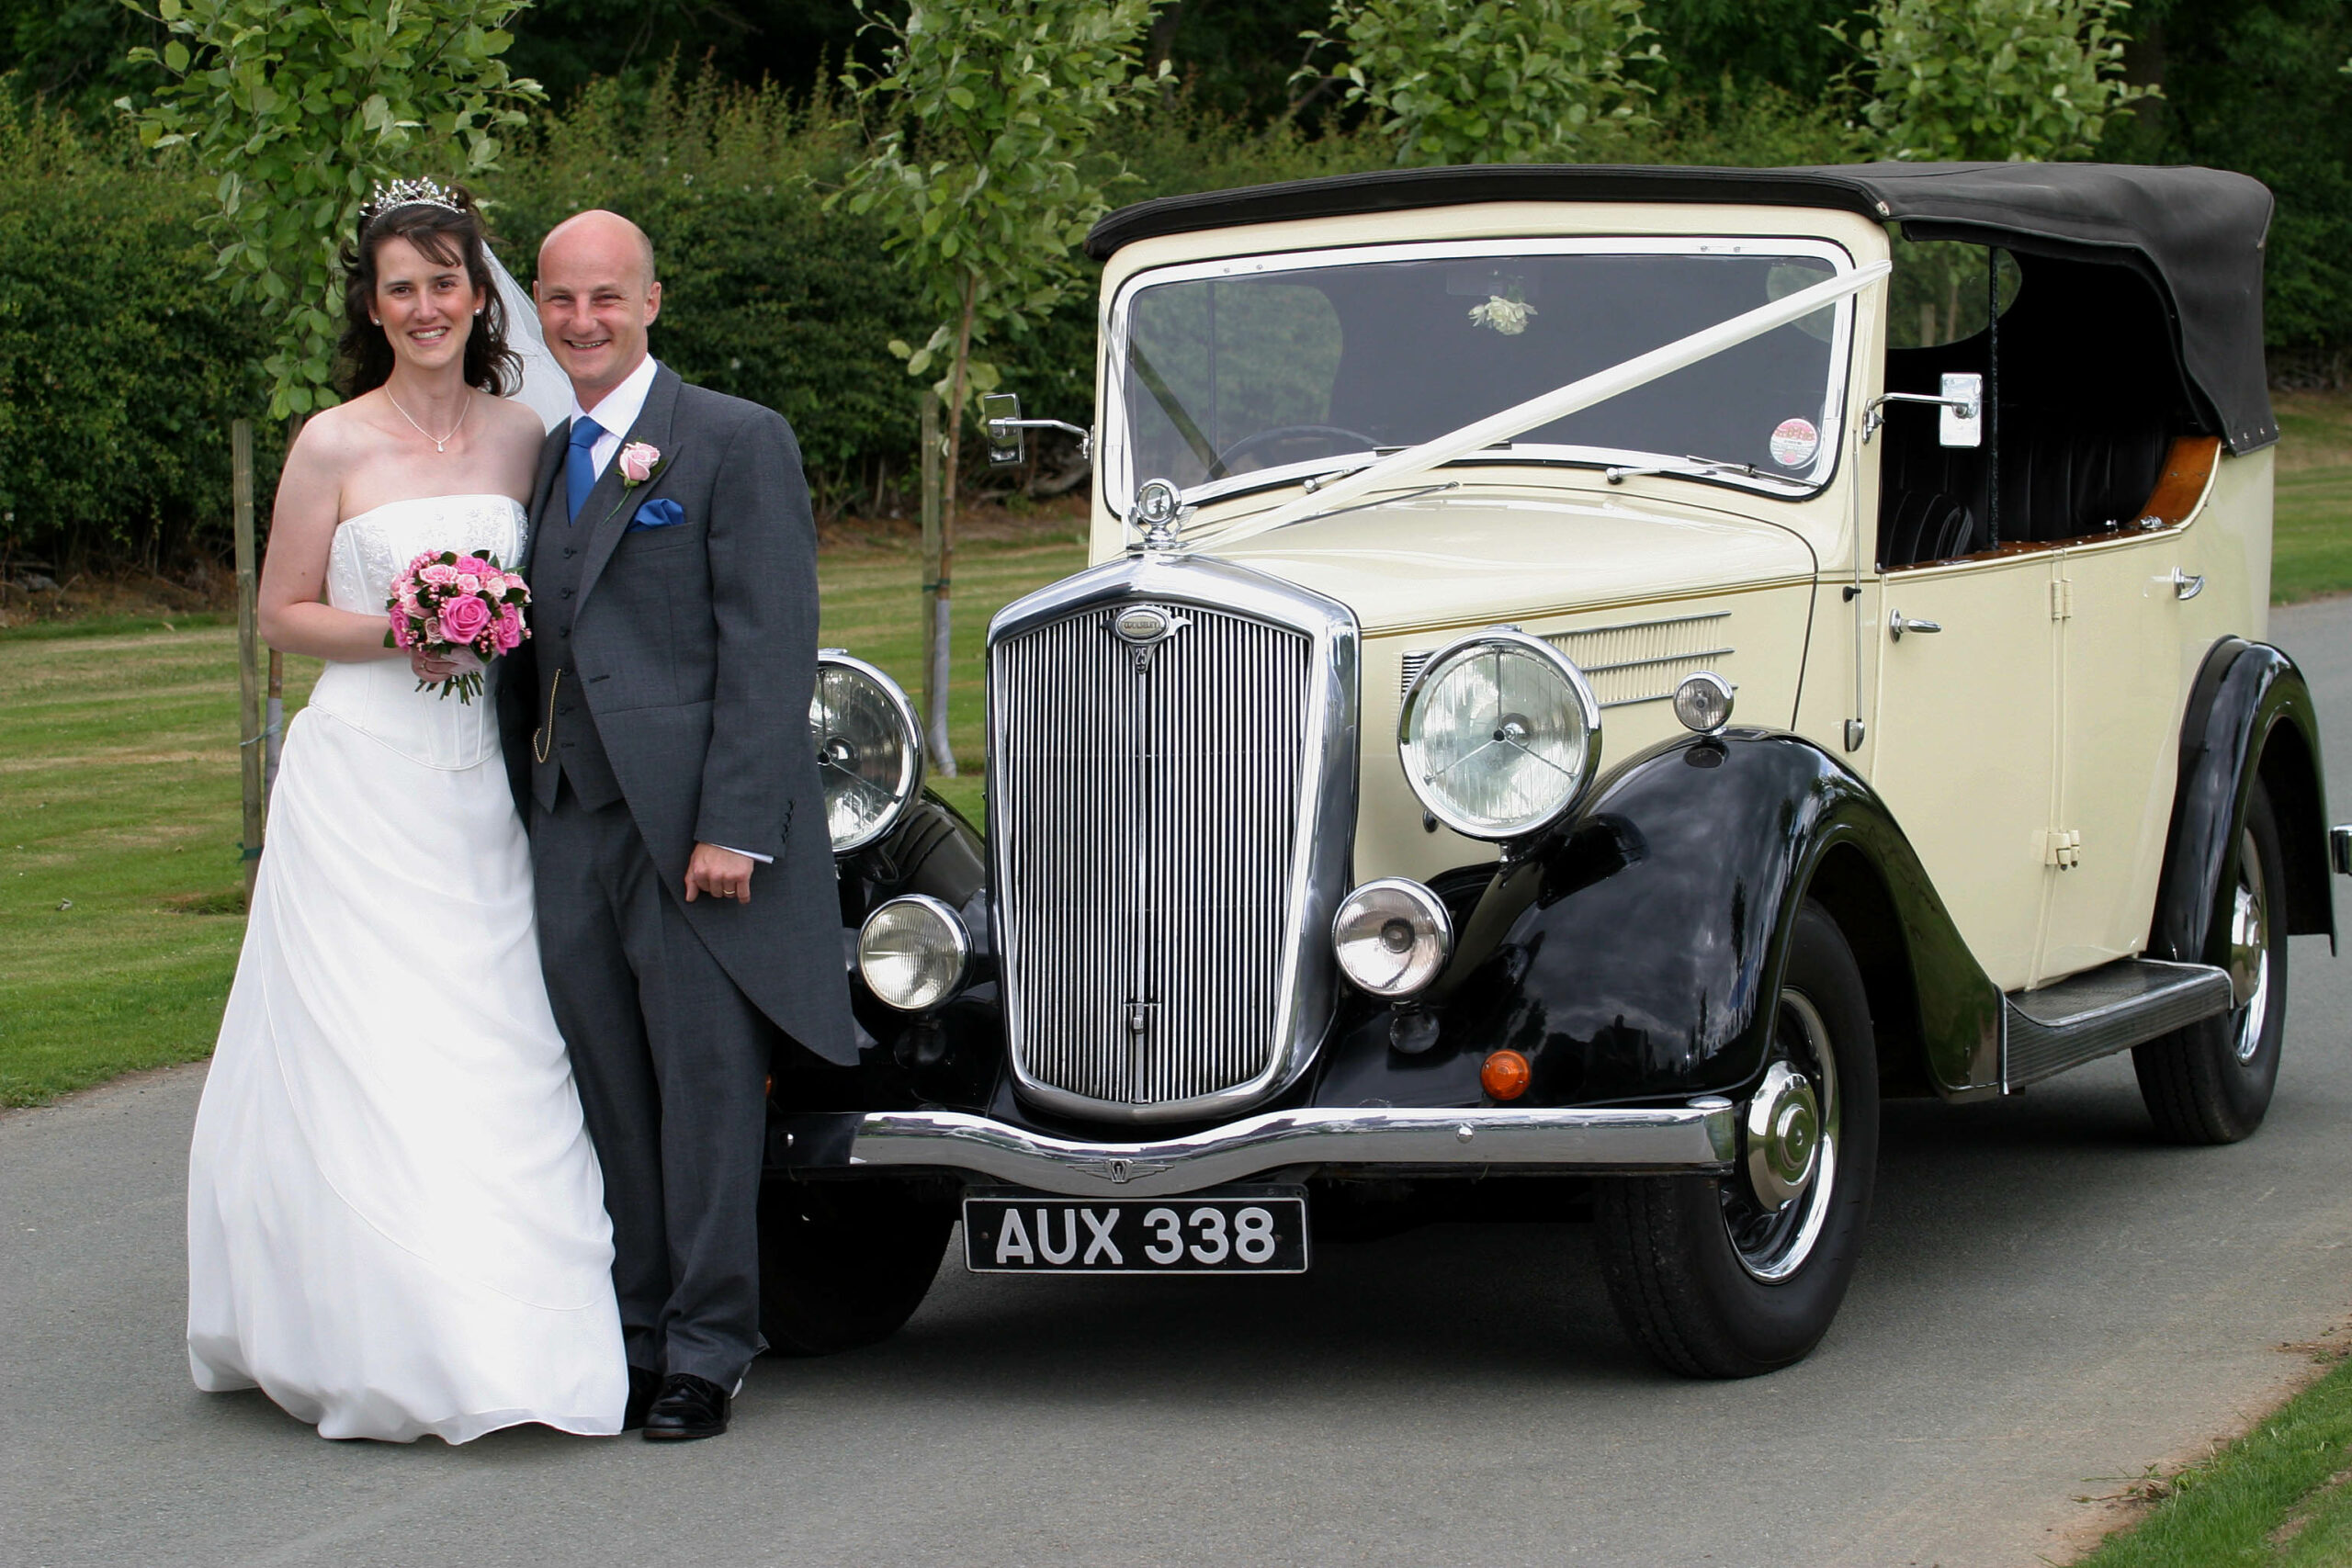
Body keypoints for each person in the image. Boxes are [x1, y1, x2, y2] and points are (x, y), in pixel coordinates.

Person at [185, 181, 628, 1443]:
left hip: (482, 785)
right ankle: (371, 1333)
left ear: (480, 295)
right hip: (365, 778)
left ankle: (522, 1333)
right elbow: (281, 616)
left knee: (498, 1042)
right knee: (371, 1050)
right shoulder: (332, 441)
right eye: (401, 287)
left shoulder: (526, 435)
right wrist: (411, 626)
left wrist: (496, 631)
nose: (427, 306)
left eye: (446, 281)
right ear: (372, 307)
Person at [496, 209, 856, 1442]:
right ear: (538, 309)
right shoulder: (548, 458)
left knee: (706, 1095)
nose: (583, 322)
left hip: (694, 839)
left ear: (653, 302)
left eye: (607, 297)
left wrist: (736, 828)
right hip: (570, 827)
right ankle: (637, 1332)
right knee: (609, 1092)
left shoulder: (733, 441)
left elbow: (769, 647)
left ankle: (709, 1348)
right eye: (561, 300)